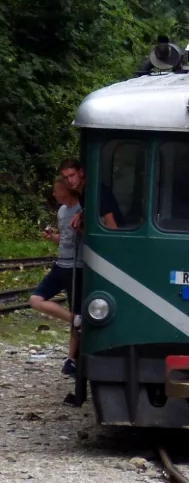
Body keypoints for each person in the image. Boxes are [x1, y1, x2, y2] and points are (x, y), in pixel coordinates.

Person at [29, 177, 83, 377]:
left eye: (56, 190)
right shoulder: (61, 211)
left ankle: (71, 359)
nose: (53, 194)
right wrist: (53, 237)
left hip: (77, 267)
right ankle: (75, 319)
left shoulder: (81, 209)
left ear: (65, 191)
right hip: (60, 265)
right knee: (35, 300)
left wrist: (81, 227)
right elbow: (65, 239)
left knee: (76, 307)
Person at [58, 158, 124, 231]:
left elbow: (112, 225)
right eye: (65, 177)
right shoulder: (82, 192)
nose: (69, 180)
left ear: (81, 172)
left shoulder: (97, 192)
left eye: (72, 175)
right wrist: (80, 215)